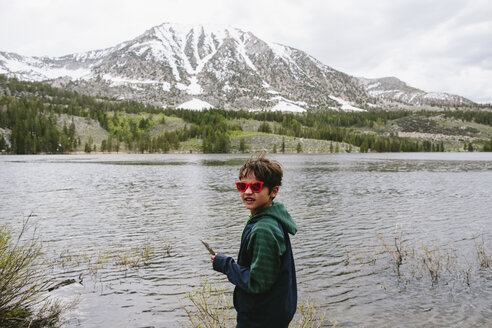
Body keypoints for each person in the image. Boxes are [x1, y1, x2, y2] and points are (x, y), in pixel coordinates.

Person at [211, 153, 298, 328]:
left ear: (273, 191)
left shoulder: (264, 229)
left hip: (260, 319)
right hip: (271, 314)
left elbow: (257, 282)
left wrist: (225, 264)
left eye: (256, 187)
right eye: (242, 186)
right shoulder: (268, 218)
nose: (248, 192)